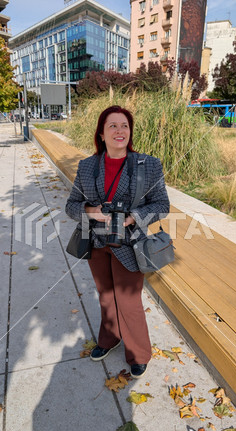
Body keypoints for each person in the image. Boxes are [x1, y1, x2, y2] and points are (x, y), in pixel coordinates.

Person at [65, 105, 170, 378]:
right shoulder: (87, 166)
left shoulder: (148, 165)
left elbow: (162, 205)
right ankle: (109, 338)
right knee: (106, 296)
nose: (119, 131)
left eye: (124, 125)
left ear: (130, 131)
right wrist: (90, 211)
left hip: (130, 244)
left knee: (129, 300)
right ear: (101, 133)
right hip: (96, 242)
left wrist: (135, 217)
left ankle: (138, 353)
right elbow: (71, 205)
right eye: (112, 126)